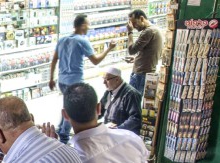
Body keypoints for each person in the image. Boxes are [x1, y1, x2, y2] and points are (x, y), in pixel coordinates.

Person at [49, 14, 117, 144]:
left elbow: (54, 60)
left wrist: (51, 78)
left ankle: (60, 129)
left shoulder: (62, 40)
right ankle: (63, 137)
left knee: (66, 105)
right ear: (82, 25)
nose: (89, 27)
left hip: (62, 81)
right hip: (75, 82)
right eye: (88, 24)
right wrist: (109, 48)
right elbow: (95, 61)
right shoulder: (82, 41)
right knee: (73, 110)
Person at [126, 9, 163, 96]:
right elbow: (150, 52)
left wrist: (130, 32)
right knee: (147, 105)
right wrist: (136, 59)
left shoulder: (148, 31)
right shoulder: (154, 30)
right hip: (149, 73)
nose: (134, 26)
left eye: (134, 23)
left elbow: (131, 50)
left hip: (141, 75)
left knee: (133, 103)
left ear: (142, 18)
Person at [99, 66, 142, 135]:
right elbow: (100, 110)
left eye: (106, 79)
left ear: (117, 79)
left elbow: (135, 118)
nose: (104, 82)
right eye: (103, 79)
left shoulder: (131, 94)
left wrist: (118, 129)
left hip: (123, 135)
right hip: (109, 132)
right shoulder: (109, 91)